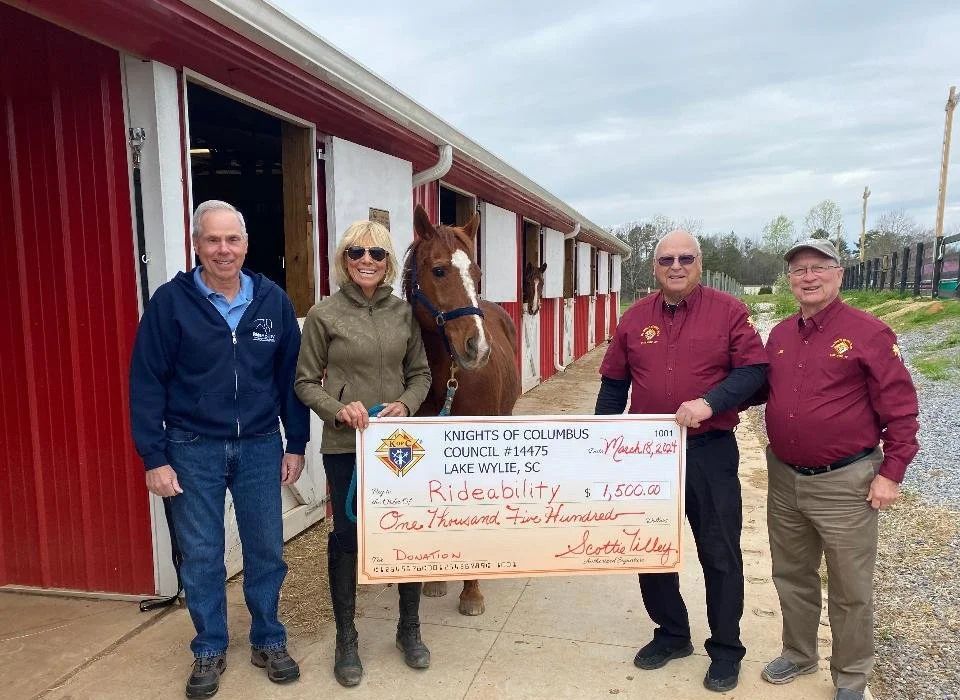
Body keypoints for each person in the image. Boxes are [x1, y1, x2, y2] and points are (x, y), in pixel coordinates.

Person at [129, 200, 308, 699]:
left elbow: (291, 379)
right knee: (203, 554)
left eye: (232, 239)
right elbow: (146, 381)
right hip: (190, 447)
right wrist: (154, 456)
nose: (223, 249)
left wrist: (295, 444)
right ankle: (209, 645)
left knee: (267, 549)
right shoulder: (170, 303)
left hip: (258, 445)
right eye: (213, 239)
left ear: (246, 245)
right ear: (197, 244)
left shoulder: (271, 301)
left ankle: (268, 639)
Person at [595, 229, 768, 692]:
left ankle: (726, 649)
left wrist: (710, 402)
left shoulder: (728, 312)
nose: (676, 266)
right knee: (648, 549)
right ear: (655, 266)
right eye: (666, 259)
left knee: (720, 553)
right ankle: (671, 634)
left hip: (708, 452)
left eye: (685, 258)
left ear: (699, 263)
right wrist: (596, 445)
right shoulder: (634, 319)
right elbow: (614, 385)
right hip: (646, 457)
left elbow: (754, 370)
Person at [760, 239, 919, 700]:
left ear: (839, 274)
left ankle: (850, 676)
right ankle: (798, 653)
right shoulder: (782, 334)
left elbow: (902, 410)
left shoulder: (869, 332)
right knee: (792, 573)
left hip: (846, 481)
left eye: (818, 268)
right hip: (785, 477)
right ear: (789, 280)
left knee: (850, 585)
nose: (807, 277)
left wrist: (892, 472)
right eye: (798, 270)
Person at [295, 220, 432, 687]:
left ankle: (408, 628)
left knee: (407, 532)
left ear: (388, 261)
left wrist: (406, 404)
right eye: (357, 252)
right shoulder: (324, 315)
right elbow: (304, 382)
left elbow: (422, 375)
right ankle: (346, 639)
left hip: (397, 445)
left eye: (376, 253)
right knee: (349, 536)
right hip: (345, 444)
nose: (367, 260)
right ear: (344, 259)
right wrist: (339, 409)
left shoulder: (403, 313)